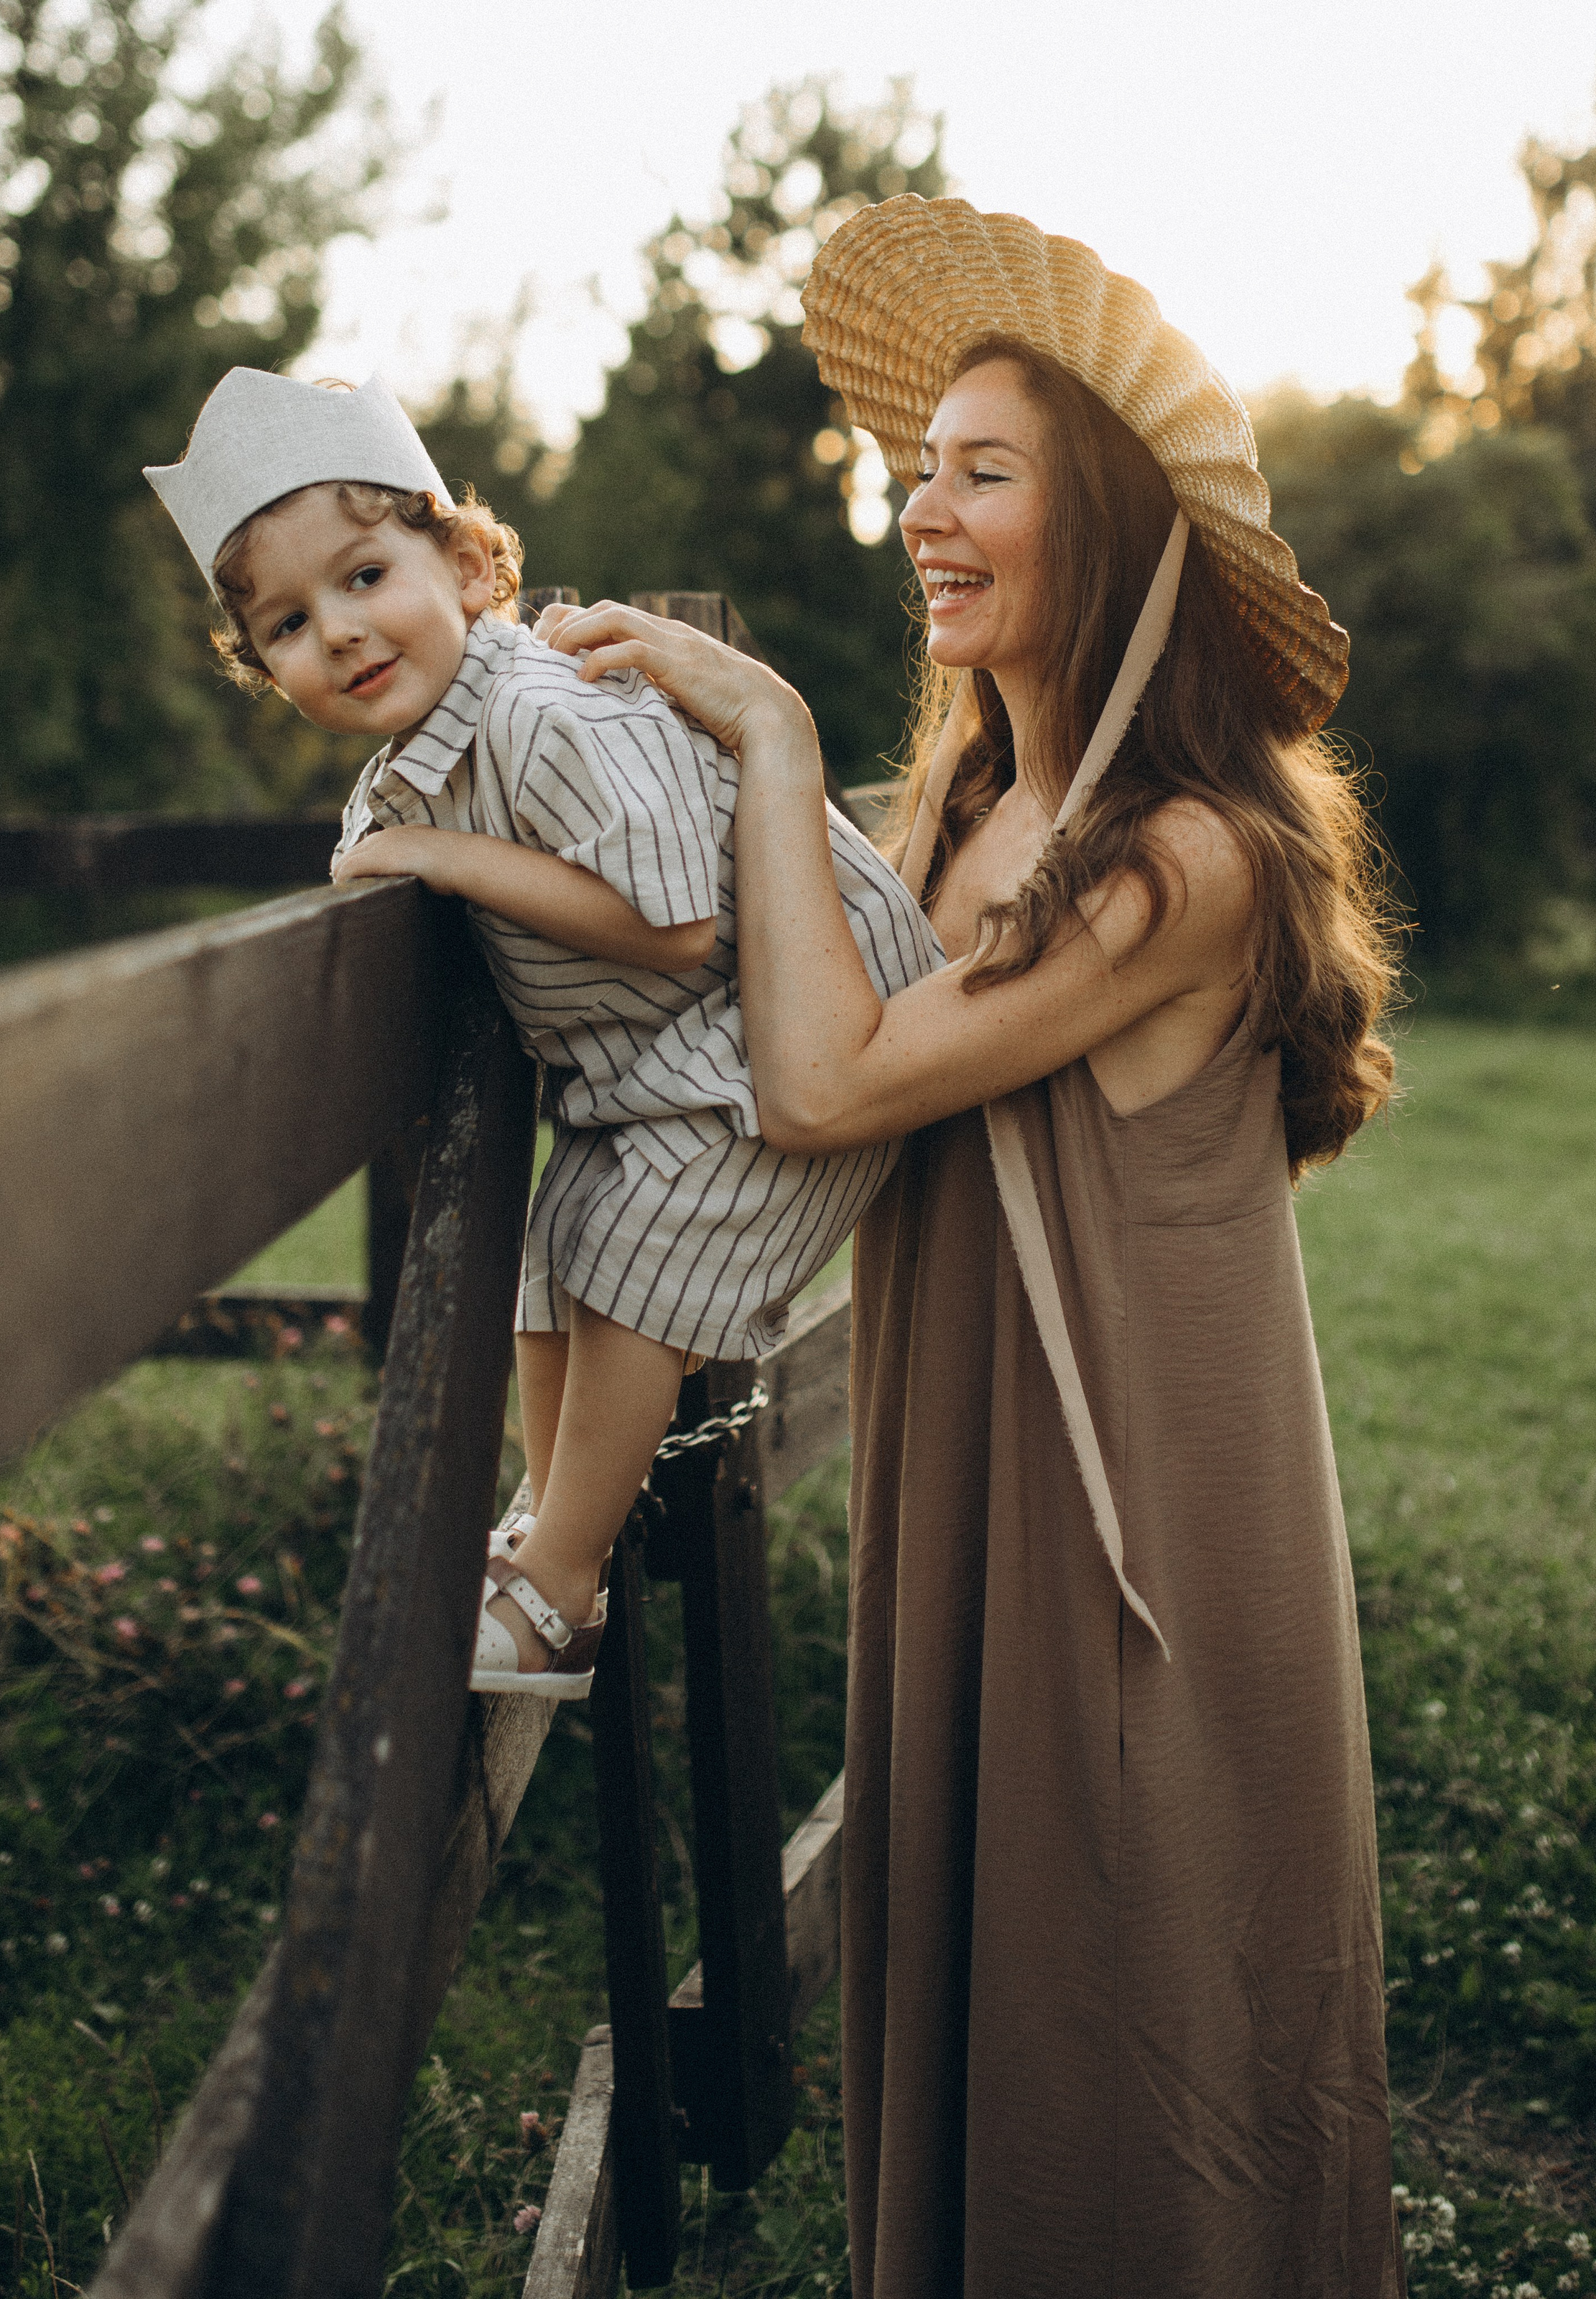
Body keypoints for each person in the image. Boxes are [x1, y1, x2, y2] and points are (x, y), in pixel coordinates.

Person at [536, 198, 1405, 2295]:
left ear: (1102, 527)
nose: (921, 511)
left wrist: (753, 725)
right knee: (987, 1935)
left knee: (1134, 1958)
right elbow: (742, 999)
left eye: (980, 472)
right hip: (971, 1447)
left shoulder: (1184, 854)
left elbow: (828, 1088)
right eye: (918, 469)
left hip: (1146, 1514)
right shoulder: (949, 814)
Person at [143, 368, 941, 1700]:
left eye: (364, 576)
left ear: (464, 564)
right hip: (652, 1071)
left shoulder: (545, 708)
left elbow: (676, 924)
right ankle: (548, 1526)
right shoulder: (414, 761)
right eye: (286, 623)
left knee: (627, 1258)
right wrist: (412, 852)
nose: (337, 634)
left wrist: (445, 857)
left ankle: (564, 1588)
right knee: (547, 1251)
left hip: (785, 1033)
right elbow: (381, 866)